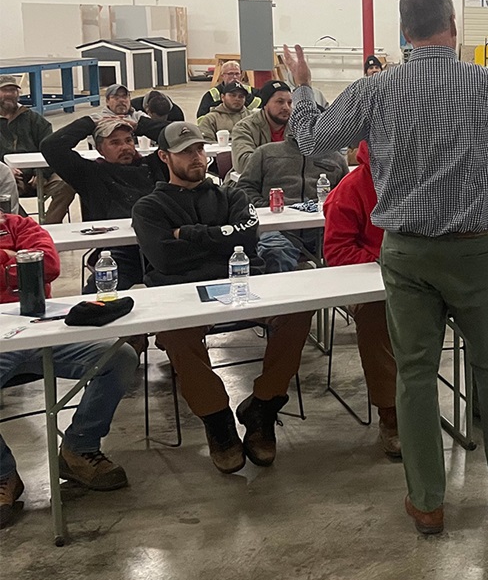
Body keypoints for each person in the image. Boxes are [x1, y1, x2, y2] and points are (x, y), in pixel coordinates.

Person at [286, 0, 488, 536]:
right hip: (477, 250)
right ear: (453, 25)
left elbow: (316, 140)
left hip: (405, 251)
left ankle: (427, 501)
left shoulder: (377, 89)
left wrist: (305, 87)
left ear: (403, 30)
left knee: (414, 373)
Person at [132, 122, 315, 475]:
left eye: (200, 149)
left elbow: (248, 239)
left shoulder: (232, 195)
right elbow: (166, 258)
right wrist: (221, 241)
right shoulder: (149, 207)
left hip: (242, 286)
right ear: (164, 157)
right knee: (176, 334)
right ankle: (218, 420)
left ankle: (263, 406)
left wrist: (189, 235)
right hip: (183, 294)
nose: (197, 157)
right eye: (186, 152)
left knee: (298, 311)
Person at [0, 211, 140, 529]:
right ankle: (3, 474)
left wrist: (15, 261)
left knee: (119, 357)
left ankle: (79, 448)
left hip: (41, 331)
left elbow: (48, 265)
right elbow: (28, 266)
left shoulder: (19, 224)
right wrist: (13, 260)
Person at [322, 140, 401, 459]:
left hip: (420, 276)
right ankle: (391, 414)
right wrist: (387, 261)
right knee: (375, 318)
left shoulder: (422, 181)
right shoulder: (350, 189)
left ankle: (485, 401)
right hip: (370, 283)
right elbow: (336, 252)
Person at [41, 106, 169, 292]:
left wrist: (141, 124)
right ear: (100, 149)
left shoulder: (155, 164)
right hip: (120, 252)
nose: (125, 147)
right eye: (115, 143)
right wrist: (89, 123)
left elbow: (179, 135)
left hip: (161, 247)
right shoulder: (90, 174)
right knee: (94, 298)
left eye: (128, 140)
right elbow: (51, 146)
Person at [233, 125, 347, 272]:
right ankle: (280, 294)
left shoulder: (335, 158)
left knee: (348, 250)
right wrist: (266, 207)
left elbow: (345, 194)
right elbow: (244, 188)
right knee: (275, 251)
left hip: (322, 229)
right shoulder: (265, 153)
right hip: (275, 228)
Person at [0, 74, 77, 223]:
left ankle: (49, 227)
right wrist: (4, 170)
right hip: (7, 177)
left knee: (67, 183)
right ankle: (24, 227)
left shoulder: (34, 119)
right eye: (5, 90)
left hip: (40, 175)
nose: (9, 94)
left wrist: (43, 172)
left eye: (13, 90)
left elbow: (51, 148)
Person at [231, 80, 294, 174]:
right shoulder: (245, 127)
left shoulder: (298, 127)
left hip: (291, 183)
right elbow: (243, 163)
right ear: (265, 105)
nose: (286, 107)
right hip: (253, 185)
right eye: (280, 102)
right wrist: (289, 162)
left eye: (289, 103)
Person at [196, 61, 261, 118]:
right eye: (230, 74)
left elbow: (262, 108)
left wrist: (246, 96)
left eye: (237, 74)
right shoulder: (211, 95)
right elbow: (201, 117)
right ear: (222, 76)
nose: (234, 77)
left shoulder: (250, 90)